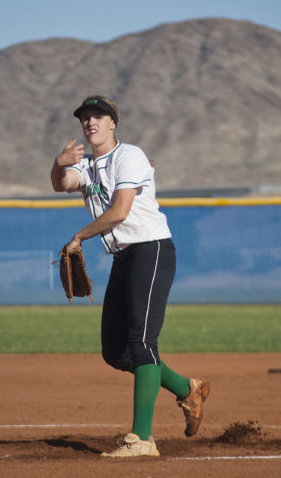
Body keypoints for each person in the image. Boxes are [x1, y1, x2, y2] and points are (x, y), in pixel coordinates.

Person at [51, 95, 210, 458]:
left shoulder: (129, 156)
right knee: (115, 351)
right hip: (123, 258)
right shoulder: (89, 167)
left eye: (98, 116)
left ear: (113, 123)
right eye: (85, 118)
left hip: (150, 250)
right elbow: (61, 183)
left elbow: (120, 211)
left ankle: (141, 440)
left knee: (142, 342)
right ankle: (188, 389)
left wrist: (78, 236)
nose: (90, 122)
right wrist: (57, 165)